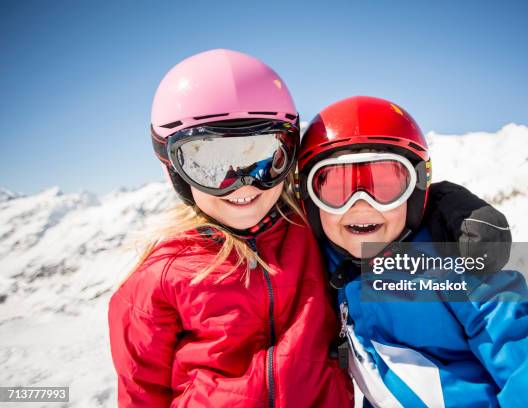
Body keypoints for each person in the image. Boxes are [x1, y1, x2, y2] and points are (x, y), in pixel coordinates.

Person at [297, 96, 528, 407]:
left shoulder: (459, 273)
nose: (361, 204)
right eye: (336, 188)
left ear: (417, 189)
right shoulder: (327, 269)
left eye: (385, 186)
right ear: (310, 199)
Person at [107, 49, 354, 408]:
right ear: (173, 168)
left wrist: (445, 211)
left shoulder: (317, 229)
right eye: (210, 164)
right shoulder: (161, 276)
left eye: (263, 157)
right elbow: (140, 393)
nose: (244, 185)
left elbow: (391, 239)